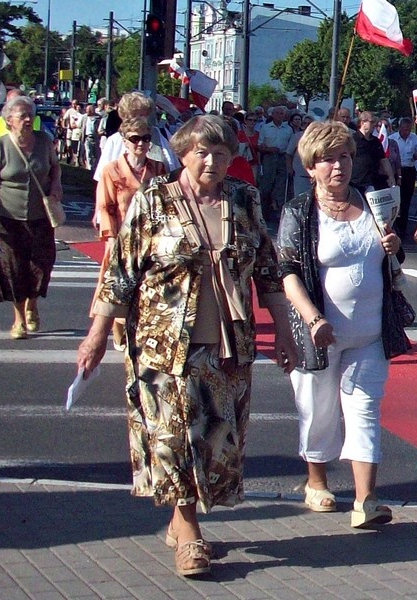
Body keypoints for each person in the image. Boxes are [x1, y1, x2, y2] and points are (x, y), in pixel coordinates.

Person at [77, 115, 297, 578]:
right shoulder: (154, 202)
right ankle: (190, 529)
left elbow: (268, 271)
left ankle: (183, 520)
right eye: (202, 152)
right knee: (173, 440)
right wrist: (97, 335)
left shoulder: (244, 200)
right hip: (163, 347)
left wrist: (283, 329)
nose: (212, 161)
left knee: (217, 443)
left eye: (221, 153)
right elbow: (120, 272)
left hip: (227, 348)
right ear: (182, 153)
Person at [275, 121, 402, 529]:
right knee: (318, 411)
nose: (338, 166)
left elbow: (389, 263)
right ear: (310, 167)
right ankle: (317, 482)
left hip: (370, 332)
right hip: (319, 333)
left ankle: (367, 500)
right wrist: (313, 318)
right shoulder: (299, 210)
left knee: (364, 410)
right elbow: (288, 272)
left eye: (344, 156)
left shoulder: (372, 201)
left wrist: (394, 247)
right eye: (327, 159)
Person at [0, 96, 63, 340]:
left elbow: (55, 167)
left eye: (30, 114)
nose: (28, 119)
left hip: (40, 218)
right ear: (9, 121)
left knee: (41, 265)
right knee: (13, 270)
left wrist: (56, 186)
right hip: (6, 218)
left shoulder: (44, 142)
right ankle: (18, 320)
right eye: (23, 115)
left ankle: (32, 305)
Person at [94, 117, 168, 350]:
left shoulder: (159, 169)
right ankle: (118, 329)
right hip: (122, 238)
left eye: (145, 139)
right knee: (118, 286)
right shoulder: (111, 170)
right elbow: (105, 206)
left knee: (149, 286)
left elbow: (166, 202)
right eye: (135, 139)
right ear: (124, 141)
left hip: (151, 239)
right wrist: (111, 238)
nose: (140, 144)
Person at [258, 105, 293, 220]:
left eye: (282, 114)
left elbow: (291, 145)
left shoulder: (288, 129)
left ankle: (278, 212)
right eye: (277, 113)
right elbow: (260, 145)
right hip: (269, 157)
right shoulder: (265, 128)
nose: (280, 116)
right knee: (267, 185)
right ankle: (264, 211)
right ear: (272, 115)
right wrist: (269, 149)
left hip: (283, 158)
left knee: (281, 185)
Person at [389, 117, 417, 236]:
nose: (406, 132)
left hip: (409, 169)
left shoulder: (414, 138)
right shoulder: (392, 138)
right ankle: (393, 224)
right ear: (400, 128)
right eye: (404, 130)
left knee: (407, 199)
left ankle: (403, 226)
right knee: (395, 197)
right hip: (396, 170)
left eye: (408, 130)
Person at [349, 111, 395, 195]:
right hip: (355, 182)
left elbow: (384, 160)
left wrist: (391, 176)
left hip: (373, 183)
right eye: (372, 122)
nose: (374, 124)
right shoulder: (352, 139)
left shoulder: (376, 141)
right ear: (363, 122)